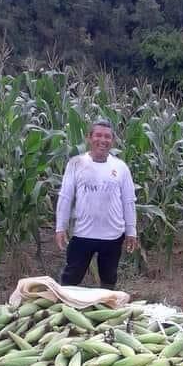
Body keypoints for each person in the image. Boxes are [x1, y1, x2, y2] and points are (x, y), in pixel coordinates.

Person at [55, 119, 137, 288]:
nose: (103, 140)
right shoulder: (76, 163)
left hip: (112, 235)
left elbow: (128, 201)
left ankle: (105, 311)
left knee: (108, 280)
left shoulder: (121, 167)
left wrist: (131, 231)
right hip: (83, 234)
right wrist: (60, 227)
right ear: (89, 138)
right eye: (98, 135)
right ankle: (65, 309)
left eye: (107, 136)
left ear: (112, 140)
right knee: (70, 279)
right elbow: (65, 197)